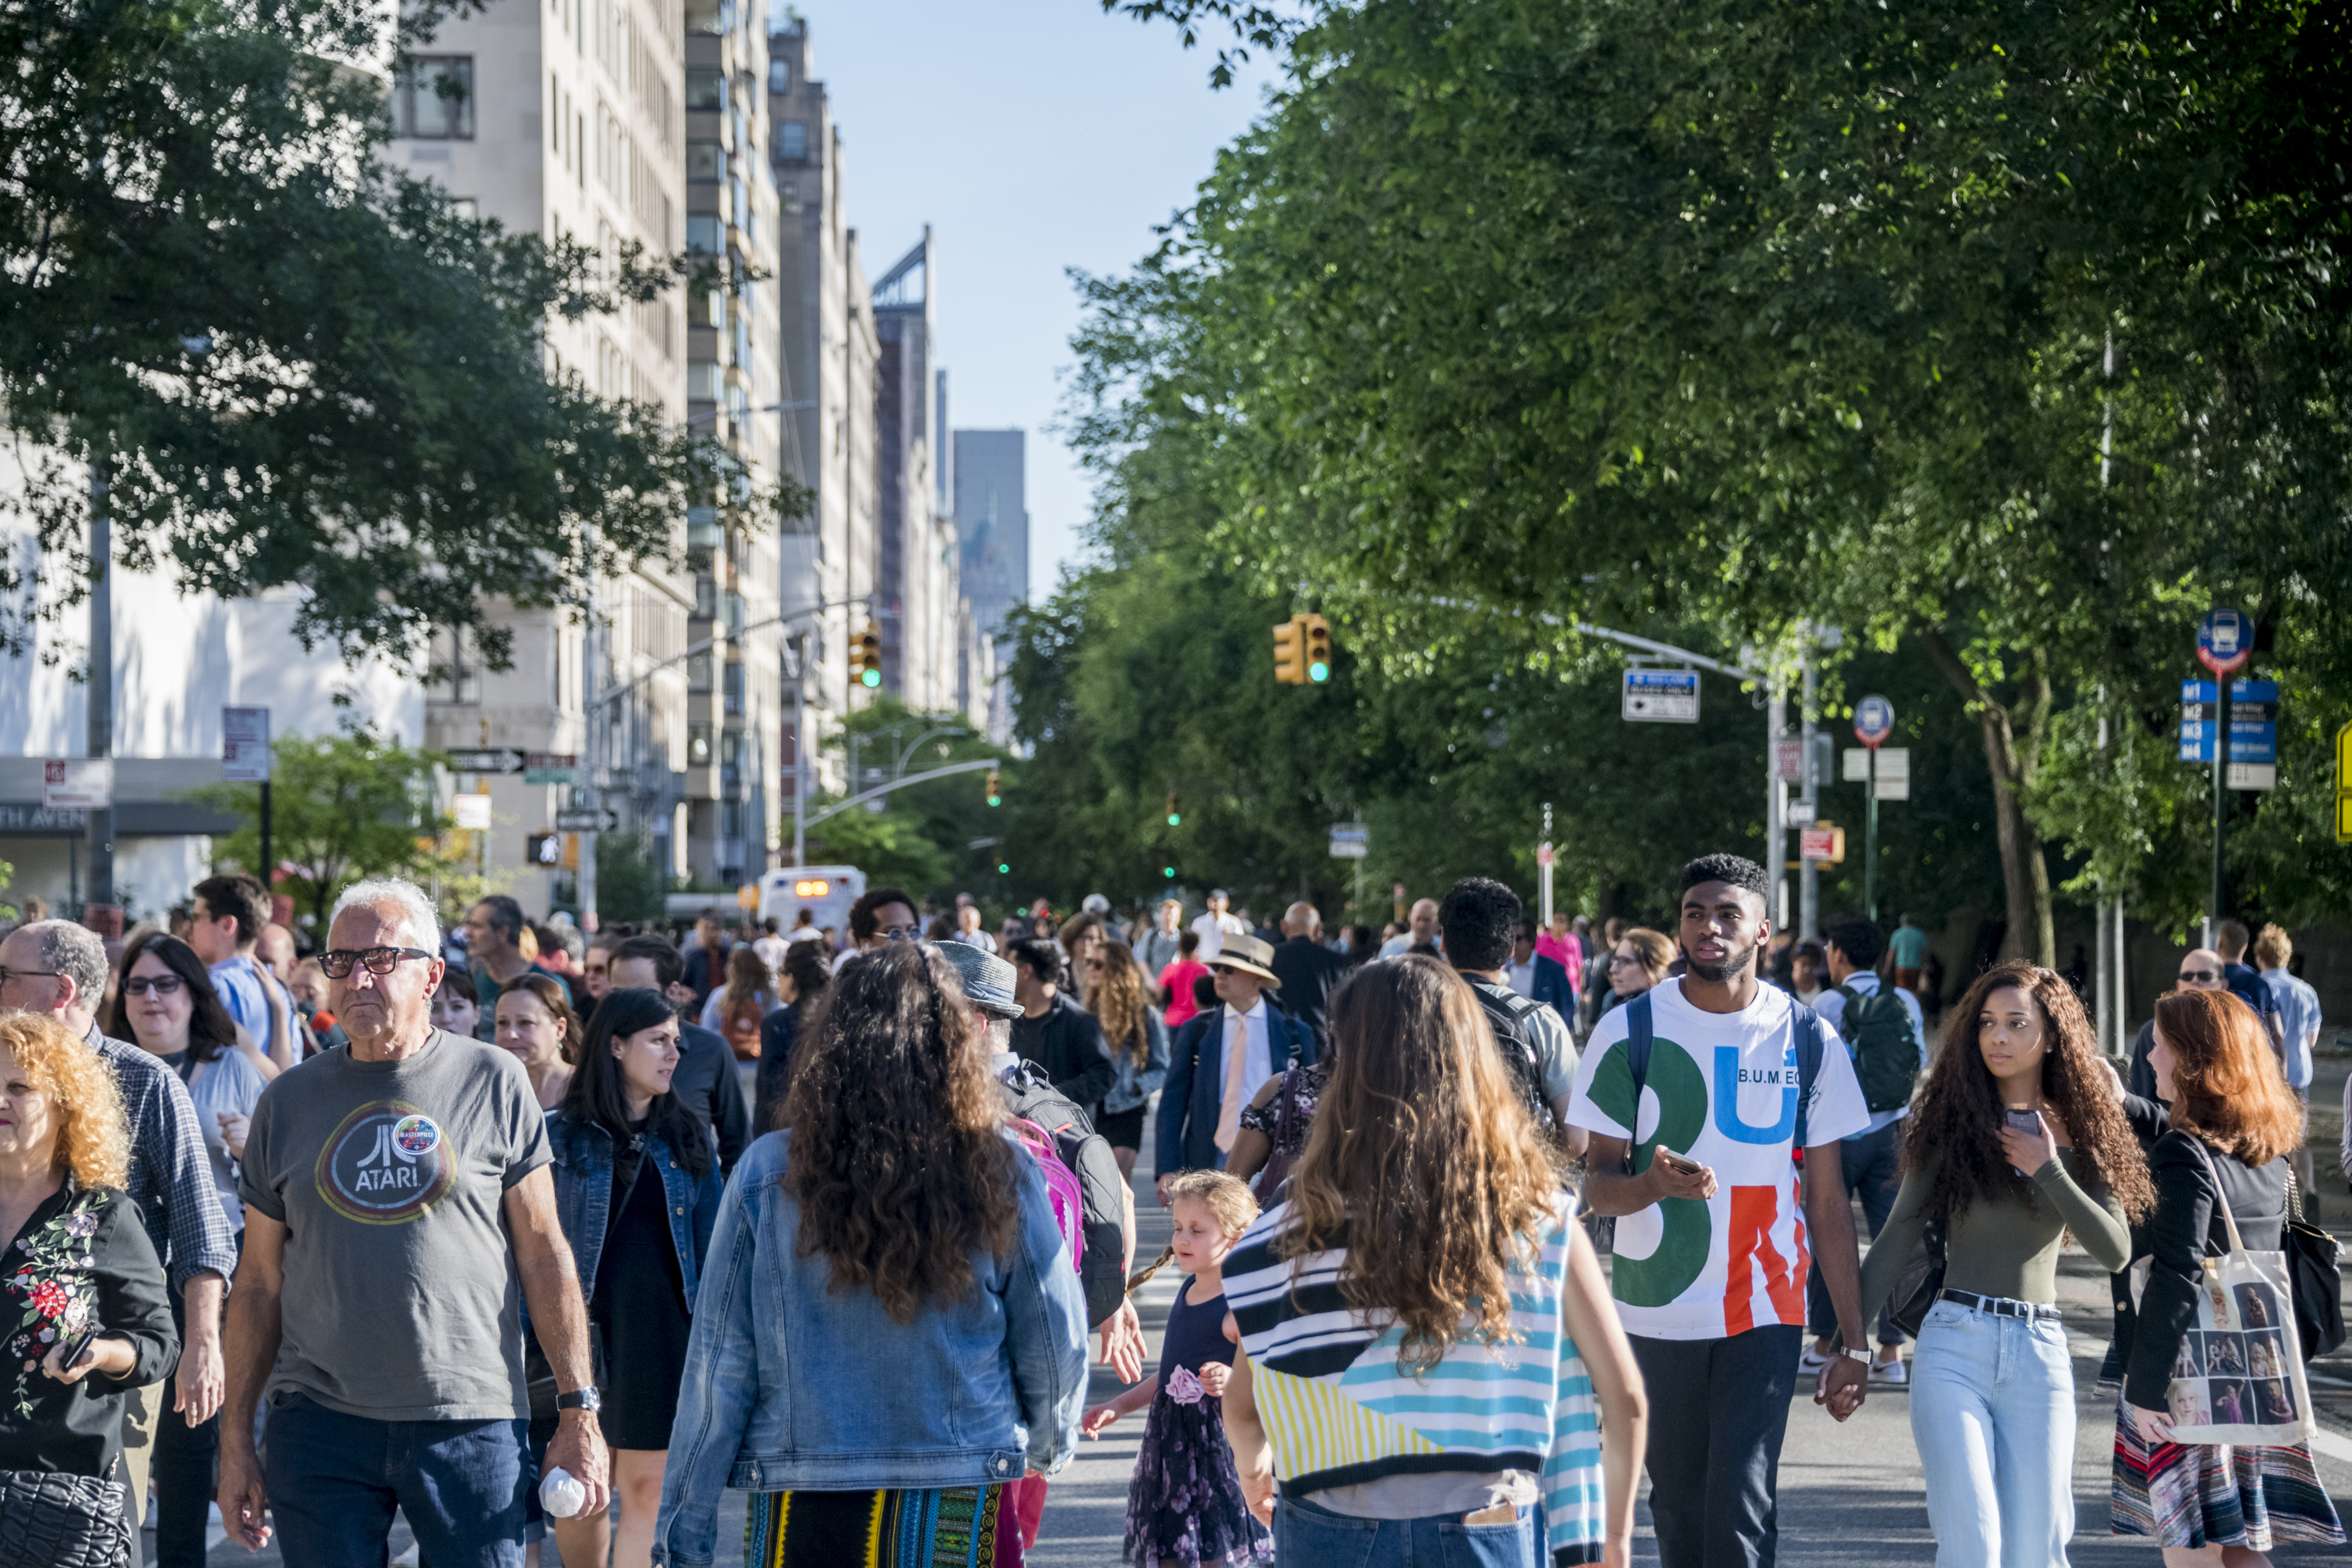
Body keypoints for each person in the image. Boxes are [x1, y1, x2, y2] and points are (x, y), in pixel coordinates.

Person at [652, 943, 1090, 1568]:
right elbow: (1054, 1335)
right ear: (957, 1043)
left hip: (804, 1495)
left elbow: (719, 1363)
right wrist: (1048, 1443)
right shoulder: (1001, 1168)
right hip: (960, 1479)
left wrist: (683, 1533)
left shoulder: (766, 1173)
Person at [217, 877, 611, 1565]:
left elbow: (545, 1251)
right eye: (340, 960)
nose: (357, 977)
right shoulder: (286, 1102)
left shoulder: (494, 1079)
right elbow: (256, 1284)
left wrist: (579, 1408)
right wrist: (234, 1441)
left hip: (469, 1416)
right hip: (319, 1421)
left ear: (432, 975)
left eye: (381, 958)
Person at [1222, 956, 1647, 1566]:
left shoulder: (1291, 1227)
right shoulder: (1533, 1218)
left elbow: (1244, 1402)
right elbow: (1625, 1396)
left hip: (1328, 1521)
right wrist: (1613, 1538)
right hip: (1485, 1520)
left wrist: (1254, 1468)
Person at [1566, 853, 1872, 1568]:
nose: (1710, 928)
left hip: (1765, 1306)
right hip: (1657, 1307)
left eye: (1729, 914)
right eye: (1696, 913)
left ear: (1763, 928)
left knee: (1742, 1504)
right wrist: (1653, 1186)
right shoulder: (1627, 1031)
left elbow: (1829, 1202)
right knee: (1678, 1508)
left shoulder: (1808, 1037)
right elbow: (1600, 1187)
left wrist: (1853, 1339)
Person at [1854, 961, 2148, 1567]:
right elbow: (1898, 1230)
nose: (1998, 1036)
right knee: (1973, 1542)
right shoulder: (1949, 1120)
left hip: (2039, 1351)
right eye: (1988, 1022)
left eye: (2017, 1023)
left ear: (2051, 1035)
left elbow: (2117, 1248)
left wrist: (2048, 1167)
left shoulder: (2088, 1126)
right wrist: (1849, 1342)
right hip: (1952, 1345)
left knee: (2036, 1550)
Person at [0, 918, 236, 1543]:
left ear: (60, 989)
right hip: (14, 1368)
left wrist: (203, 1344)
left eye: (4, 976)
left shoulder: (145, 1081)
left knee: (104, 1528)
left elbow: (199, 1228)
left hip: (110, 1365)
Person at [2114, 987, 2343, 1557]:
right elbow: (2175, 1133)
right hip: (2256, 1383)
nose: (2150, 1059)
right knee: (2243, 1546)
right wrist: (2121, 1103)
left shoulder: (2184, 1156)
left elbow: (2176, 1276)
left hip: (2189, 1382)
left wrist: (2144, 1392)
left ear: (2195, 1060)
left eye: (2161, 1047)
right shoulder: (2267, 1151)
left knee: (2190, 1550)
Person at [108, 932, 272, 1567]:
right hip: (123, 1270)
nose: (152, 998)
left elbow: (275, 1181)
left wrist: (246, 1148)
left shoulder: (230, 1066)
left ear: (192, 994)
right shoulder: (102, 1066)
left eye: (166, 984)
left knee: (187, 1431)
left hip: (208, 1270)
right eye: (138, 985)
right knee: (118, 1428)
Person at [546, 987, 721, 1568]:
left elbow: (713, 1243)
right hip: (582, 1329)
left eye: (677, 1041)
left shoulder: (689, 1135)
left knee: (646, 1489)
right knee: (582, 1488)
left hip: (663, 1332)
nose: (674, 1052)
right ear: (616, 1045)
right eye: (659, 1040)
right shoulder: (560, 1136)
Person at [0, 1012, 178, 1546]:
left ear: (64, 1104)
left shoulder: (103, 1215)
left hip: (56, 1498)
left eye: (19, 1087)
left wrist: (101, 1353)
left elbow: (159, 1343)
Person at [1081, 1170, 1273, 1567]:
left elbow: (1268, 1381)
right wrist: (1120, 1405)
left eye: (1197, 1230)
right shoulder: (1188, 1291)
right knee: (1172, 1546)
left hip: (1220, 1451)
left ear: (1235, 1238)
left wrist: (1232, 1379)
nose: (1182, 1239)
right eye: (1178, 1227)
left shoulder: (1238, 1305)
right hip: (1173, 1451)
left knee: (1222, 1547)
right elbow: (1172, 1375)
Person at [1799, 915, 1928, 1385]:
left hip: (1839, 1136)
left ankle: (1823, 1344)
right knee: (1895, 1238)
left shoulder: (1827, 1003)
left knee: (1828, 1230)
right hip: (1895, 1131)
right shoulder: (1905, 1001)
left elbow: (1810, 1070)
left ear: (1837, 954)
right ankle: (1892, 1354)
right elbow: (1918, 1063)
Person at [1156, 933, 1317, 1204]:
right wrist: (1167, 1167)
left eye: (1229, 970)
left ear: (1257, 979)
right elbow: (1173, 1100)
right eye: (1217, 968)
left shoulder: (1296, 1035)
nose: (1219, 975)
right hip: (1207, 1156)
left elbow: (1313, 1103)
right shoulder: (1197, 1030)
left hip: (1272, 1162)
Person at [1439, 877, 1582, 1140]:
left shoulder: (1412, 1011)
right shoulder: (1540, 1020)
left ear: (1443, 943)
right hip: (1516, 1173)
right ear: (1510, 949)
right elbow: (1576, 1137)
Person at [608, 935, 751, 1174]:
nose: (625, 1006)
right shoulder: (598, 1047)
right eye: (616, 994)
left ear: (673, 991)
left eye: (640, 993)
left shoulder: (711, 1051)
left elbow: (737, 1145)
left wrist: (718, 1204)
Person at [190, 873, 297, 1073]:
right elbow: (294, 1070)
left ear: (227, 925)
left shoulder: (207, 989)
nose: (190, 927)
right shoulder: (281, 993)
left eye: (197, 917)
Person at [1008, 937, 1119, 1111]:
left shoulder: (1079, 1020)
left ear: (1027, 971)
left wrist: (1056, 1096)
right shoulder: (1011, 1019)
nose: (1006, 974)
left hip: (1064, 1133)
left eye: (1010, 966)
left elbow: (1105, 1074)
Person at [2250, 923, 2320, 1190]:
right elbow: (2311, 1039)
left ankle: (2278, 1193)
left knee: (2267, 1137)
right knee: (2298, 1138)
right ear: (2287, 956)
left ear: (2259, 957)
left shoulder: (2257, 988)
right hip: (2300, 1074)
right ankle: (2310, 1189)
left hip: (2267, 1075)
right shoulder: (2306, 991)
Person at [2125, 949, 2232, 1100]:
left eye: (2205, 976)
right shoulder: (2153, 1031)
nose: (2195, 981)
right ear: (2179, 985)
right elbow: (2140, 1098)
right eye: (2188, 976)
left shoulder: (2238, 1030)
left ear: (2224, 985)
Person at [753, 940, 833, 1134]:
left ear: (792, 978)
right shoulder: (837, 1019)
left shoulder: (777, 1024)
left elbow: (768, 1094)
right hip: (830, 1132)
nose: (779, 979)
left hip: (785, 1135)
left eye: (781, 973)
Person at [466, 895, 573, 1039]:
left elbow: (567, 1044)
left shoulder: (550, 985)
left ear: (503, 933)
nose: (468, 933)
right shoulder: (472, 982)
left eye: (477, 926)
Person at [1267, 902, 1349, 1056]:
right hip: (1322, 1048)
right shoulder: (1337, 963)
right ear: (1319, 928)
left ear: (1284, 926)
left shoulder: (1269, 958)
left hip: (1277, 1046)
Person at [493, 970, 581, 1111]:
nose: (511, 1034)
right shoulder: (491, 1090)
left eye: (525, 1023)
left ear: (559, 1029)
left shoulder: (588, 1089)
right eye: (503, 1023)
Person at [697, 943, 774, 1061]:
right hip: (758, 1062)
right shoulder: (766, 996)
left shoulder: (720, 995)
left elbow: (706, 1029)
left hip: (727, 1061)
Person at [1599, 926, 1673, 1019]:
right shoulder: (1613, 1001)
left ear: (1654, 968)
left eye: (1624, 961)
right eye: (1615, 960)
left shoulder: (1671, 1014)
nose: (1613, 969)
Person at [1505, 923, 1578, 1018]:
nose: (1513, 943)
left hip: (1541, 1029)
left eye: (1518, 938)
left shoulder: (1553, 969)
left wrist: (1563, 1031)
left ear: (1530, 941)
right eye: (1510, 938)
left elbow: (1566, 1006)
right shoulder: (1504, 968)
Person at [1158, 929, 1211, 1029]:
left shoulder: (1170, 968)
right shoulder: (1204, 970)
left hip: (1173, 1019)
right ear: (1196, 946)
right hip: (1196, 1019)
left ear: (1179, 946)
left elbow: (1160, 993)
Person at [1192, 889, 1248, 963]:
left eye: (1217, 900)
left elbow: (1240, 945)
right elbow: (1193, 945)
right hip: (1204, 964)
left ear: (1227, 903)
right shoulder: (1199, 922)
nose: (1214, 904)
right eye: (1211, 900)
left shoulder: (1233, 922)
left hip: (1225, 965)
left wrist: (1231, 937)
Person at [1375, 897, 1440, 958]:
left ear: (1437, 922)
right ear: (1410, 919)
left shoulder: (1443, 949)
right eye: (1418, 919)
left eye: (1427, 920)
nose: (1422, 925)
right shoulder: (1392, 948)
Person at [431, 961, 482, 1039]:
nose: (446, 1019)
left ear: (476, 1015)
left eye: (457, 1007)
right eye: (435, 1008)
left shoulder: (495, 1051)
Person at [1137, 897, 1185, 977]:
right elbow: (1142, 960)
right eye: (1167, 914)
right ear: (1161, 915)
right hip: (1153, 983)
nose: (1170, 918)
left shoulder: (1182, 938)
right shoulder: (1150, 934)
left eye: (1174, 916)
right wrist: (1151, 982)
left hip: (1173, 984)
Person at [1889, 913, 1930, 994]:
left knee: (1902, 992)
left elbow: (1891, 954)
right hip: (1916, 968)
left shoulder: (1897, 934)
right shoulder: (1920, 934)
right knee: (1914, 992)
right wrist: (1925, 966)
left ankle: (1903, 1006)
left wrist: (1887, 969)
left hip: (1901, 967)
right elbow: (1925, 953)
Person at [1788, 939, 1829, 1006]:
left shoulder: (1824, 985)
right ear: (1793, 962)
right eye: (1804, 964)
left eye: (1812, 964)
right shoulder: (1783, 986)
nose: (1808, 969)